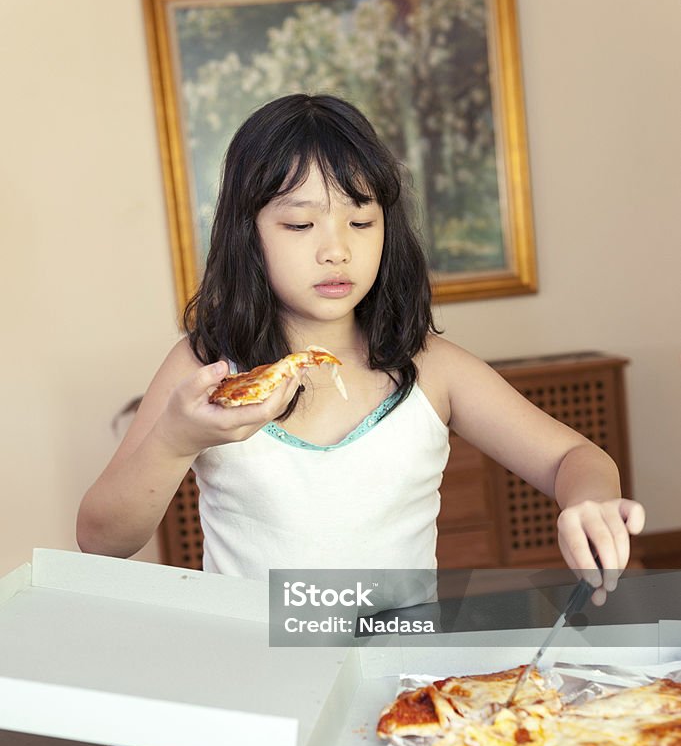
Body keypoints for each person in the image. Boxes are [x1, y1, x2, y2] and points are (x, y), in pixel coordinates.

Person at [77, 93, 644, 604]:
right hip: (255, 673)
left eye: (361, 220)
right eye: (300, 225)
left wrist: (589, 504)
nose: (336, 250)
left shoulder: (432, 368)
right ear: (247, 233)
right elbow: (101, 540)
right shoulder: (205, 368)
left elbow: (578, 459)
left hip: (399, 676)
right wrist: (176, 440)